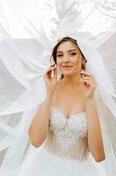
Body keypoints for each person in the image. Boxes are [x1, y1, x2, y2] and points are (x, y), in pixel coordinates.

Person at [19, 36, 106, 176]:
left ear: (83, 58)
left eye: (72, 53)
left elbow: (99, 155)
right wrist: (49, 92)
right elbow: (35, 140)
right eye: (60, 55)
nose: (65, 60)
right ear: (55, 61)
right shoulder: (48, 89)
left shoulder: (95, 94)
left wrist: (89, 99)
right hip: (42, 168)